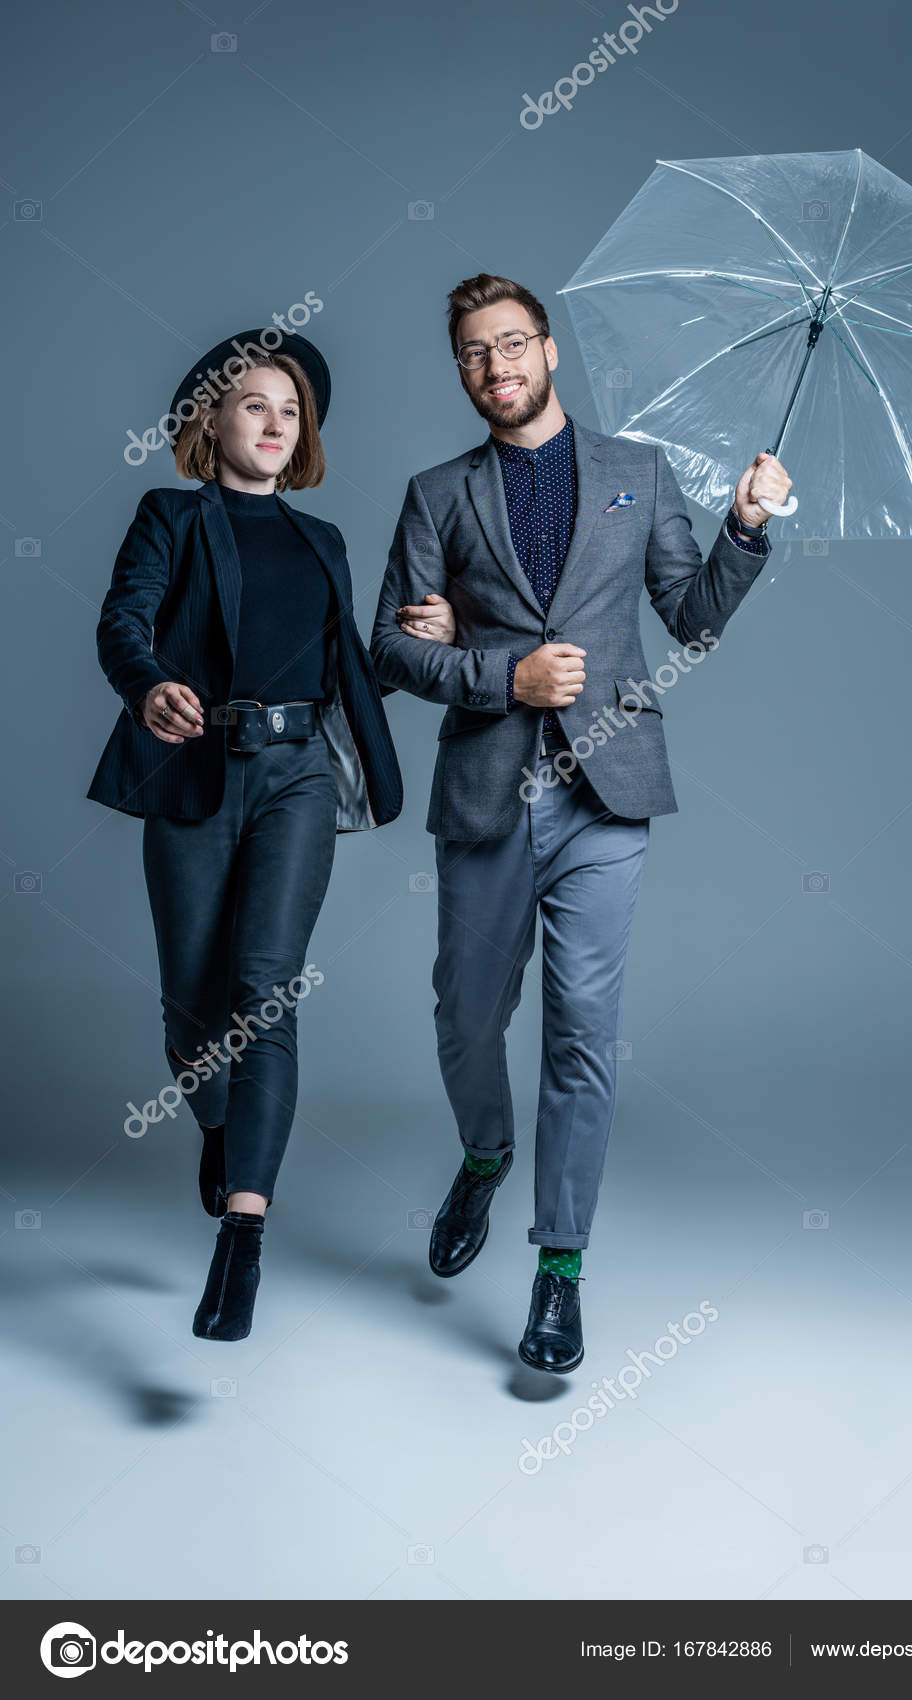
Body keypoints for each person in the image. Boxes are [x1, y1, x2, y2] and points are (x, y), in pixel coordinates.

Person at [371, 274, 791, 1373]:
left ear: (548, 350)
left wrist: (745, 527)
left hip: (610, 796)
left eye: (511, 342)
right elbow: (392, 652)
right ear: (461, 371)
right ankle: (484, 1151)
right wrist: (506, 672)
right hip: (486, 795)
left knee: (581, 1037)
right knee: (466, 1012)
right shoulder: (436, 494)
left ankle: (560, 1269)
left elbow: (689, 615)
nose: (494, 364)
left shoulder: (637, 474)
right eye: (472, 352)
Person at [87, 328, 452, 1341]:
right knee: (193, 1011)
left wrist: (412, 645)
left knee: (265, 994)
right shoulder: (170, 514)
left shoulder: (321, 540)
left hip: (295, 779)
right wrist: (150, 684)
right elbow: (123, 622)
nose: (276, 423)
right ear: (212, 419)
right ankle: (218, 1124)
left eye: (291, 411)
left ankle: (243, 1237)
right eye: (256, 404)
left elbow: (339, 679)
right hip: (196, 770)